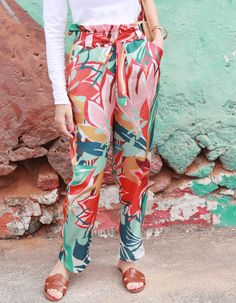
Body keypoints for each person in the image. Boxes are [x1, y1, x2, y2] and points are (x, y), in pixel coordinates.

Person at [43, 0, 165, 300]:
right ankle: (68, 260)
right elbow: (55, 29)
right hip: (88, 58)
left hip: (136, 55)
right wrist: (60, 97)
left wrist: (157, 38)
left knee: (135, 163)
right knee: (88, 165)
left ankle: (129, 255)